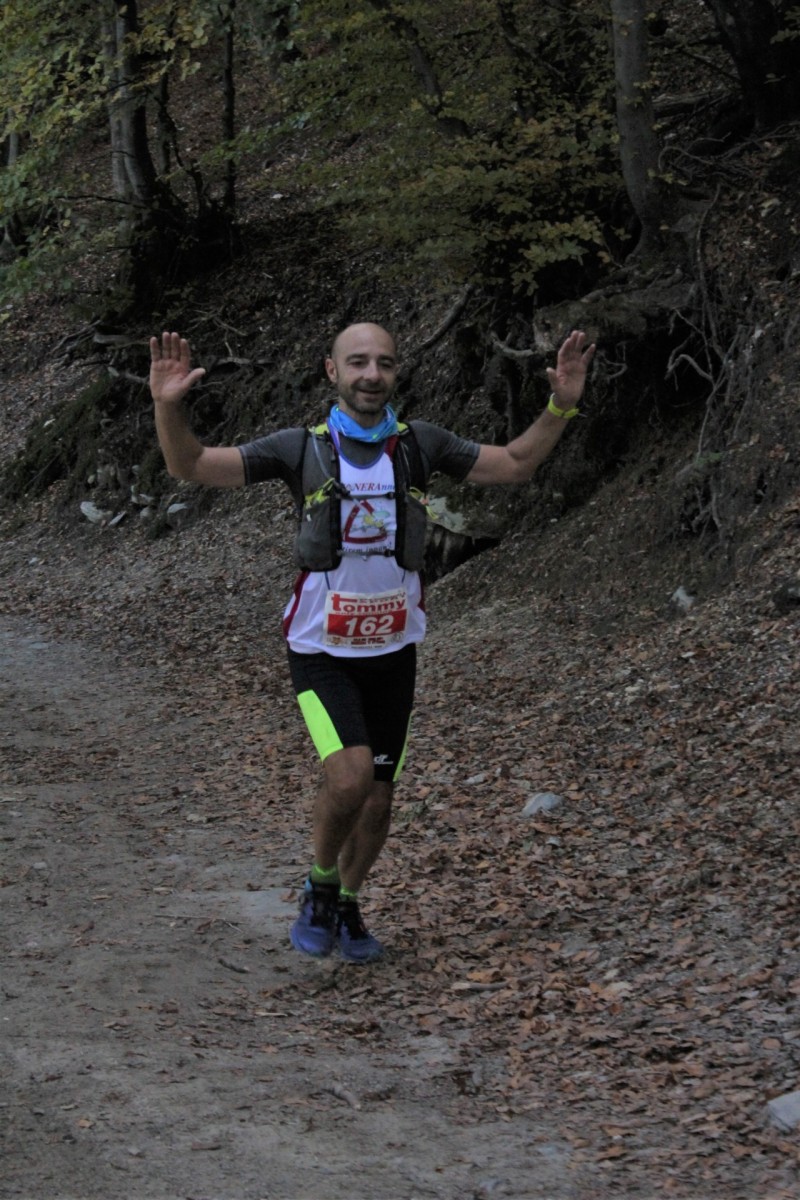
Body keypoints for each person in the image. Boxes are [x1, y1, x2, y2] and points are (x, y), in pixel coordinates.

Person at [149, 322, 595, 963]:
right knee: (350, 777)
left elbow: (517, 463)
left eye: (384, 363)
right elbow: (189, 464)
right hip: (320, 651)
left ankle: (349, 902)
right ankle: (319, 885)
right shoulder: (299, 448)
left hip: (392, 651)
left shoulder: (420, 446)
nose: (371, 374)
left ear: (396, 372)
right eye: (357, 362)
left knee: (380, 799)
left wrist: (561, 405)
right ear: (332, 371)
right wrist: (168, 406)